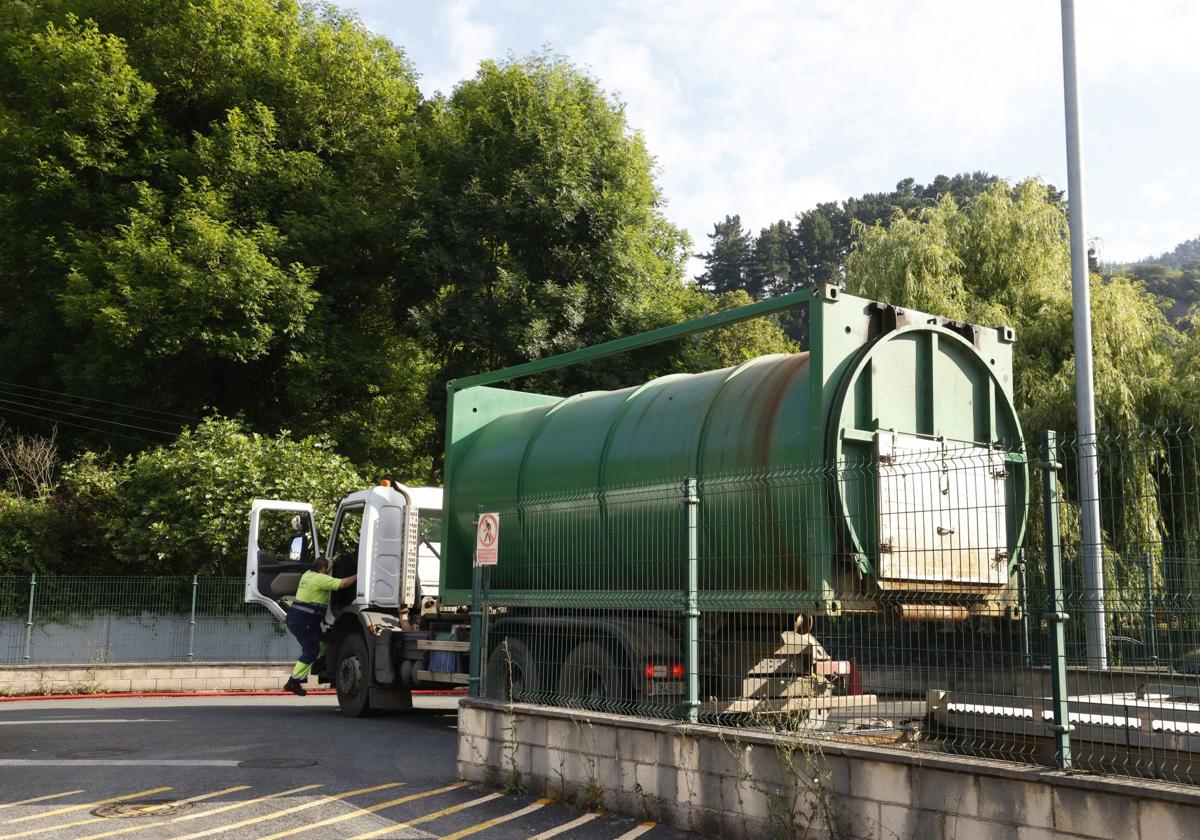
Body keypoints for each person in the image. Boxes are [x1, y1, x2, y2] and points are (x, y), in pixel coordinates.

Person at [283, 555, 356, 696]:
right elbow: (343, 584)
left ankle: (318, 664)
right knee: (311, 650)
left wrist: (331, 561)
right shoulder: (320, 579)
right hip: (305, 621)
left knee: (322, 643)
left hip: (298, 618)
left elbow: (324, 569)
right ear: (322, 569)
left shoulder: (307, 575)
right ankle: (293, 682)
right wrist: (359, 575)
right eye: (327, 568)